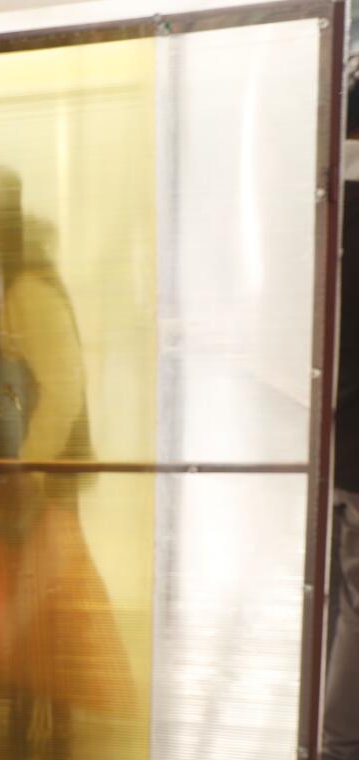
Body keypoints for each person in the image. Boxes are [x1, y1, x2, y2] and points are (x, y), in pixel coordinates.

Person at [0, 164, 131, 759]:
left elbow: (64, 389)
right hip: (7, 479)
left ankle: (46, 729)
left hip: (32, 482)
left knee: (41, 611)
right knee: (21, 608)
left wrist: (30, 472)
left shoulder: (23, 285)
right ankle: (26, 714)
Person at [323, 72, 359, 760]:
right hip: (351, 440)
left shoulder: (328, 200)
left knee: (338, 593)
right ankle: (335, 738)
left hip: (332, 440)